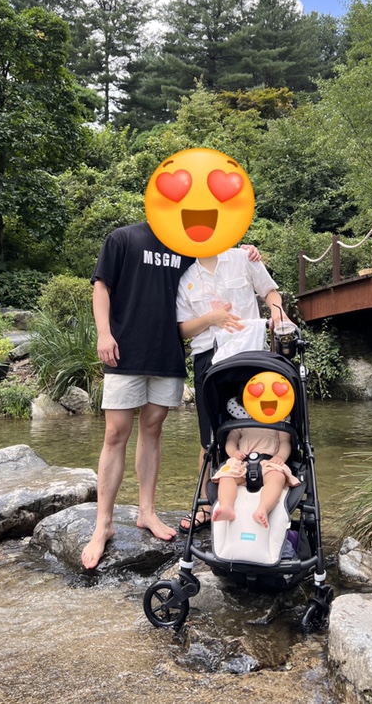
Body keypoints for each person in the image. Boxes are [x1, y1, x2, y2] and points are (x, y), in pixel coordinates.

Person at [81, 221, 260, 569]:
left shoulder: (186, 246)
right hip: (124, 350)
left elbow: (216, 259)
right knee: (115, 432)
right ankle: (103, 524)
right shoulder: (123, 238)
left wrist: (247, 251)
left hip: (167, 353)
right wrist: (104, 333)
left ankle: (146, 511)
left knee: (153, 430)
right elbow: (101, 286)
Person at [175, 248, 291, 533]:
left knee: (262, 421)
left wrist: (279, 315)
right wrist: (211, 318)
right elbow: (183, 329)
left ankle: (265, 497)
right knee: (209, 436)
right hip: (208, 357)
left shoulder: (244, 257)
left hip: (250, 354)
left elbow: (270, 292)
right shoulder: (186, 275)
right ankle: (206, 504)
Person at [211, 401, 299, 528]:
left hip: (269, 462)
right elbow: (231, 440)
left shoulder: (280, 421)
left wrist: (280, 457)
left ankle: (263, 508)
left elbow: (285, 442)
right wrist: (233, 452)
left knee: (277, 478)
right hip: (241, 461)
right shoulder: (241, 422)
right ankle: (226, 506)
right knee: (226, 476)